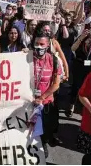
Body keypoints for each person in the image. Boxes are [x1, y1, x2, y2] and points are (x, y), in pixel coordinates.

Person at [31, 31, 62, 159]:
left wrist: (42, 98)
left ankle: (43, 146)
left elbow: (56, 84)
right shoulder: (26, 57)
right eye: (36, 44)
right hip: (28, 102)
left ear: (47, 45)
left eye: (42, 44)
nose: (39, 47)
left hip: (46, 104)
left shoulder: (54, 60)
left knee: (43, 131)